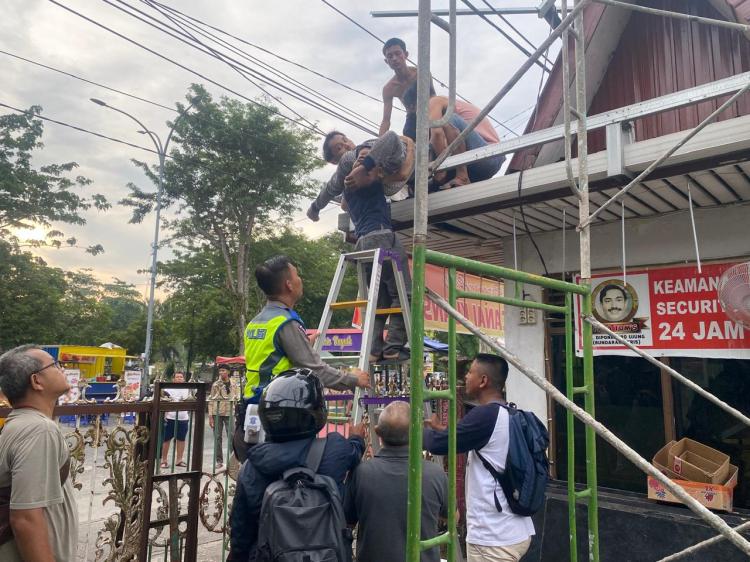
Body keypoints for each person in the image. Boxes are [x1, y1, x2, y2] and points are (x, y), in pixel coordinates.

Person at [237, 256, 370, 460]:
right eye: (297, 275)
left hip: (251, 409)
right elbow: (315, 370)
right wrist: (353, 379)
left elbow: (270, 360)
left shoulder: (256, 322)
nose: (301, 280)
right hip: (278, 416)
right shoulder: (285, 323)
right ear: (288, 285)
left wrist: (302, 344)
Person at [227, 368, 366, 561]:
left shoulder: (252, 466)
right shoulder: (333, 450)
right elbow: (355, 450)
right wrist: (357, 437)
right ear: (316, 413)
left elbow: (241, 532)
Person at [424, 354, 534, 562]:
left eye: (470, 372)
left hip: (493, 536)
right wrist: (444, 431)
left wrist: (411, 429)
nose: (465, 377)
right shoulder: (508, 412)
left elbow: (437, 445)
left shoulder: (486, 416)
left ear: (483, 381)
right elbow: (464, 437)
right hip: (514, 528)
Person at [0, 345, 78, 562]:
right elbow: (25, 518)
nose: (61, 368)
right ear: (36, 381)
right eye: (54, 365)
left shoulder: (18, 423)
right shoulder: (38, 430)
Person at [344, 401, 447, 562]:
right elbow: (453, 516)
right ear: (417, 432)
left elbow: (348, 521)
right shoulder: (435, 473)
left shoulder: (361, 473)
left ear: (377, 432)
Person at [403, 82, 504, 189]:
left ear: (413, 105)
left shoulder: (434, 101)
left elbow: (437, 133)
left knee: (449, 120)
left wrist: (441, 170)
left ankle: (462, 176)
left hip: (490, 155)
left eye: (410, 111)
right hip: (478, 160)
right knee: (434, 143)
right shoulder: (444, 103)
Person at [307, 130, 414, 222]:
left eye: (345, 140)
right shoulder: (348, 173)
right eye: (339, 148)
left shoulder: (353, 156)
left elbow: (391, 136)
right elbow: (337, 196)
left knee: (353, 158)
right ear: (334, 161)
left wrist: (365, 166)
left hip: (404, 156)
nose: (347, 145)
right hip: (405, 173)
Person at [380, 37, 419, 139]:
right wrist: (379, 145)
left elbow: (433, 97)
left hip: (430, 110)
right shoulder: (389, 88)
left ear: (405, 55)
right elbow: (386, 120)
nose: (394, 58)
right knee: (408, 136)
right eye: (390, 56)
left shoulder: (420, 73)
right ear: (386, 61)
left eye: (398, 53)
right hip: (412, 118)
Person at [208, 365, 239, 470]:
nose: (221, 372)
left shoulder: (234, 383)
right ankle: (219, 461)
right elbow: (211, 400)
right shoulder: (216, 384)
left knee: (232, 436)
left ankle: (233, 461)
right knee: (217, 437)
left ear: (228, 372)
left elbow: (237, 397)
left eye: (223, 370)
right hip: (217, 413)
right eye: (220, 370)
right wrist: (210, 416)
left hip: (230, 412)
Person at [160, 371, 191, 469]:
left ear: (184, 379)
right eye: (177, 377)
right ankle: (164, 460)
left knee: (181, 439)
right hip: (171, 417)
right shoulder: (168, 388)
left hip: (183, 417)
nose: (179, 379)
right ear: (173, 379)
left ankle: (179, 460)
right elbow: (163, 401)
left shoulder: (188, 389)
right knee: (166, 439)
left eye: (181, 377)